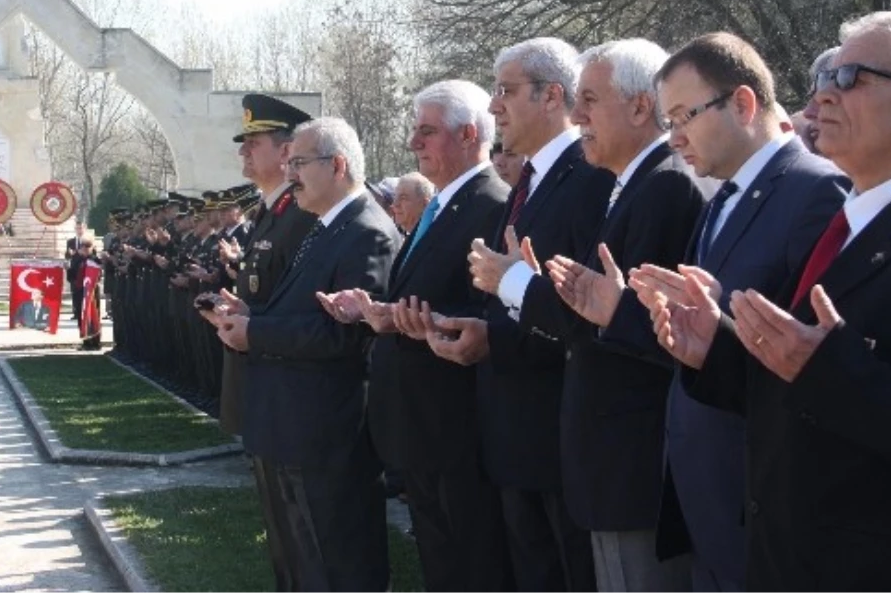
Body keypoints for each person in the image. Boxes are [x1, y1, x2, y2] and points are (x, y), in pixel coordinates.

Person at [658, 11, 891, 592]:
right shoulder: (850, 220)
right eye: (825, 77)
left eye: (851, 78)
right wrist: (719, 348)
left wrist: (832, 371)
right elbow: (797, 381)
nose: (821, 94)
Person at [626, 32, 846, 593]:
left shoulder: (815, 192)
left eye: (683, 116)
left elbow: (811, 367)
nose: (673, 138)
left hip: (759, 499)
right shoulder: (723, 195)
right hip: (710, 494)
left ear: (743, 104)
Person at [412, 38, 610, 593]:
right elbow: (508, 297)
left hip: (555, 434)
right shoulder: (532, 178)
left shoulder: (590, 175)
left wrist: (494, 336)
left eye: (506, 90)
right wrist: (483, 329)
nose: (495, 105)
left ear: (552, 97)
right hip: (513, 431)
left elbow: (580, 310)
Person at [322, 80, 514, 593]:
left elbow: (490, 309)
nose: (414, 143)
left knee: (473, 566)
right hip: (425, 428)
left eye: (427, 132)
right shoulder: (444, 205)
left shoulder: (492, 203)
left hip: (459, 426)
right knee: (441, 564)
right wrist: (383, 315)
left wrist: (423, 319)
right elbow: (427, 293)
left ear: (469, 134)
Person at [539, 39, 711, 593]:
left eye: (589, 99)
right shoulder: (628, 185)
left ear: (641, 107)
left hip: (635, 466)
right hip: (609, 463)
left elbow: (655, 338)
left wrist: (604, 306)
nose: (576, 115)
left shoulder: (665, 185)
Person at [213, 116, 400, 592]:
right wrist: (252, 313)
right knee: (302, 566)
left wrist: (256, 333)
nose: (289, 172)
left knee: (336, 565)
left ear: (336, 165)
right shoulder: (325, 227)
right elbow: (304, 311)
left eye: (298, 163)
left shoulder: (367, 232)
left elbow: (345, 336)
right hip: (294, 424)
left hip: (327, 432)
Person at [202, 93, 317, 439]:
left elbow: (303, 307)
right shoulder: (270, 211)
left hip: (287, 385)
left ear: (285, 152)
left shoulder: (302, 214)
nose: (242, 151)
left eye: (253, 143)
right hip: (261, 375)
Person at [65, 219, 88, 324]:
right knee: (74, 292)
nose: (79, 230)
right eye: (77, 228)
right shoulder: (70, 242)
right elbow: (67, 256)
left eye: (81, 228)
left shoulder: (88, 241)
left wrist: (79, 253)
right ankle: (76, 312)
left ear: (84, 229)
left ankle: (85, 311)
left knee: (84, 292)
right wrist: (70, 253)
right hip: (74, 271)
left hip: (85, 270)